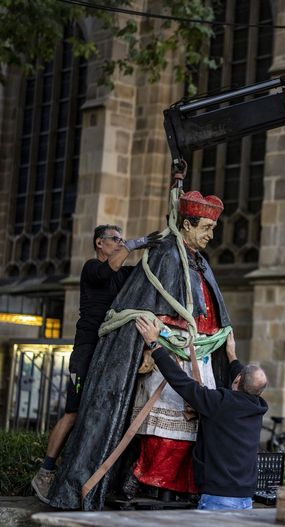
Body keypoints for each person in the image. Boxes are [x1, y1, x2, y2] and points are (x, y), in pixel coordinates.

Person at [49, 190, 234, 510]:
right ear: (187, 225)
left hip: (197, 354)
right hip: (161, 353)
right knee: (147, 420)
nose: (210, 235)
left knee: (193, 425)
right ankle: (131, 475)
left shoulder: (200, 263)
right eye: (206, 227)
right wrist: (137, 244)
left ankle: (183, 483)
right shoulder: (137, 261)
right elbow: (146, 299)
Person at [31, 225, 161, 504]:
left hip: (109, 352)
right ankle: (45, 472)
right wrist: (134, 243)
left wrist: (160, 247)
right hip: (85, 351)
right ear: (100, 243)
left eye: (122, 239)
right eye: (115, 239)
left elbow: (147, 274)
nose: (120, 243)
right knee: (73, 412)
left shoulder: (123, 275)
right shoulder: (92, 268)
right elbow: (109, 268)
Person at [134, 317, 268, 510]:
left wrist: (154, 345)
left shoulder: (219, 403)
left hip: (218, 498)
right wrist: (232, 355)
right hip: (245, 498)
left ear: (238, 380)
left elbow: (182, 383)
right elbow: (247, 382)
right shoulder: (257, 407)